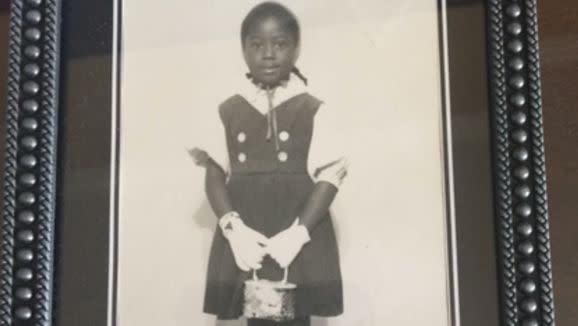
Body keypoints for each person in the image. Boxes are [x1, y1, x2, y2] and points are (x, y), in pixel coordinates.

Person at [189, 2, 348, 325]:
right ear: (244, 50)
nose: (269, 54)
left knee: (294, 317)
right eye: (257, 45)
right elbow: (215, 172)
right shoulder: (228, 108)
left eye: (280, 44)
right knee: (257, 317)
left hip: (296, 225)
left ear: (297, 48)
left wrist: (299, 233)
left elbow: (330, 177)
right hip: (248, 229)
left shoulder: (314, 107)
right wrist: (233, 229)